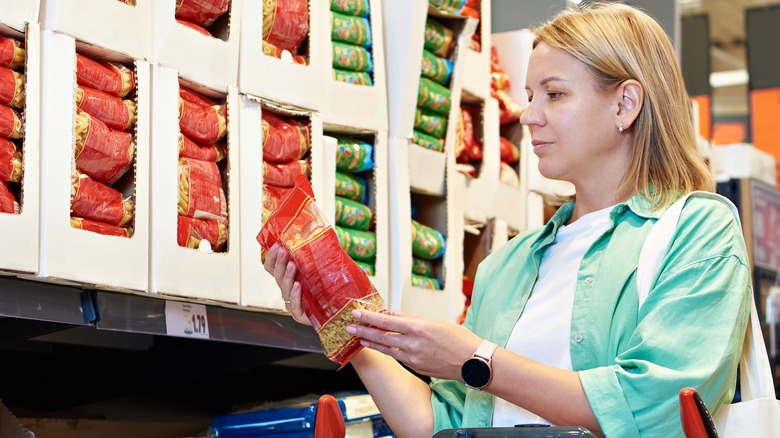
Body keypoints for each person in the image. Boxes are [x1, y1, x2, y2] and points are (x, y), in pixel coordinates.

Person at [264, 2, 752, 437]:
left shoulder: (696, 230)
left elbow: (661, 406)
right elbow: (436, 423)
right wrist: (341, 325)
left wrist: (479, 360)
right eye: (530, 94)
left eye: (554, 94)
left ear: (625, 104)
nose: (528, 115)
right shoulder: (508, 265)